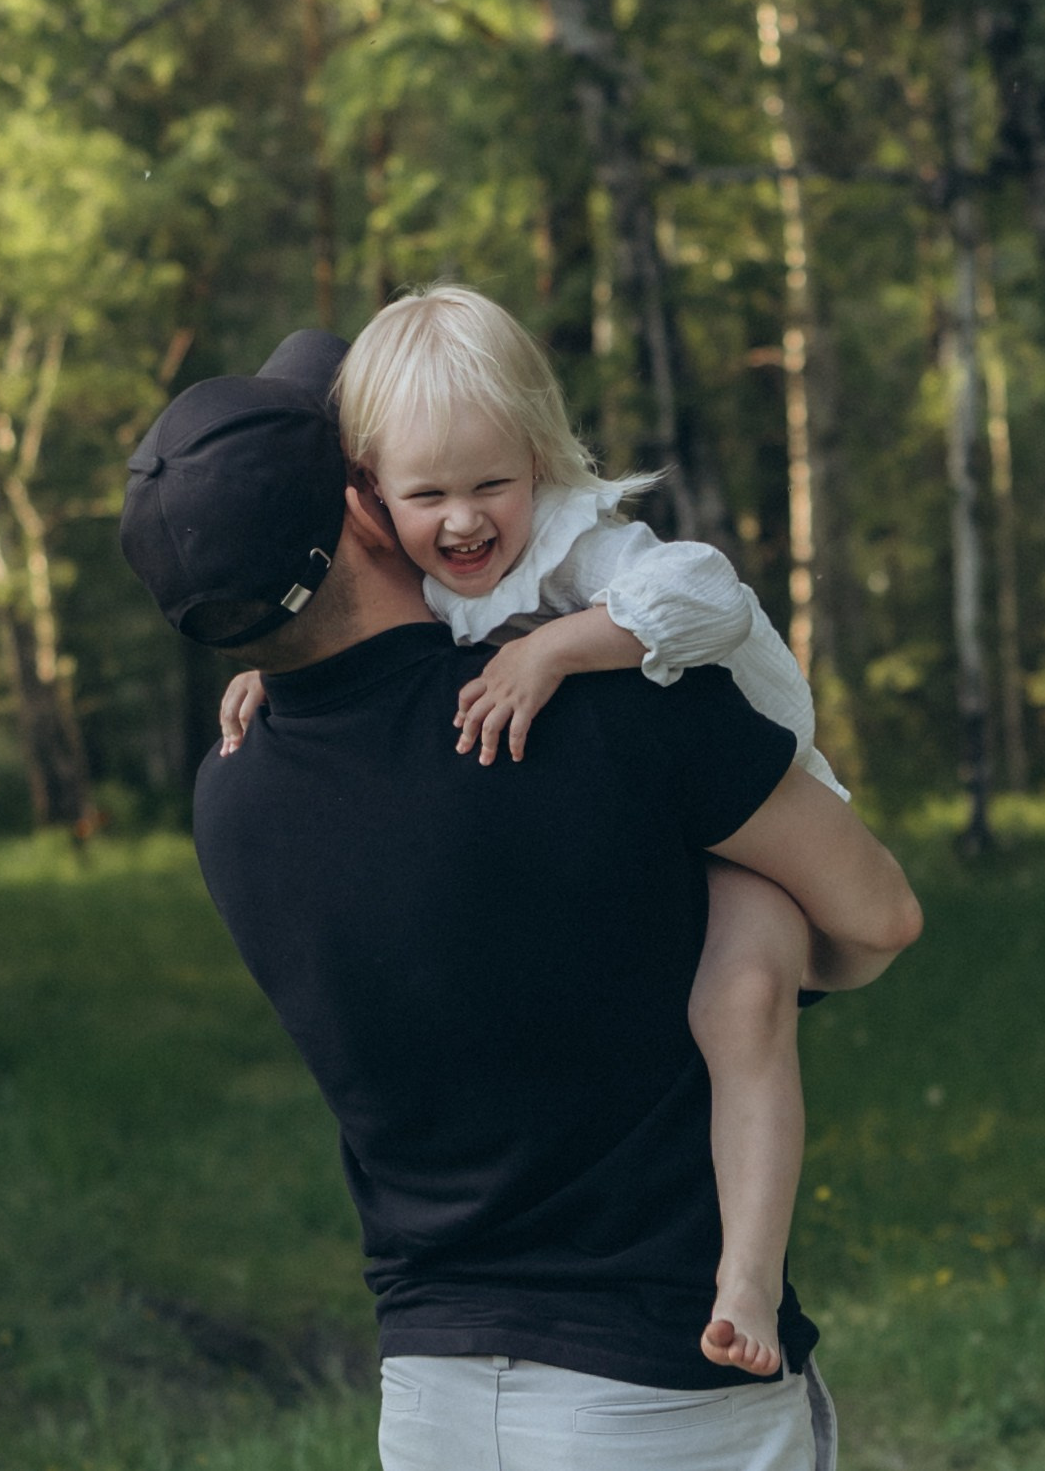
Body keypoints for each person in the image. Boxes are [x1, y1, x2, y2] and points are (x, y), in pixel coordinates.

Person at [120, 325, 921, 1471]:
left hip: (430, 1390)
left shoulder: (229, 793)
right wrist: (765, 961)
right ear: (360, 511)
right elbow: (880, 915)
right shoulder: (604, 703)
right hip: (659, 1387)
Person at [219, 284, 847, 1378]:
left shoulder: (576, 550)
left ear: (539, 461)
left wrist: (559, 646)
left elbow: (713, 597)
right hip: (656, 835)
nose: (464, 521)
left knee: (738, 1008)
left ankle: (746, 1274)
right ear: (369, 498)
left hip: (756, 814)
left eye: (491, 485)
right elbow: (346, 641)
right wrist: (272, 674)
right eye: (428, 495)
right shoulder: (425, 573)